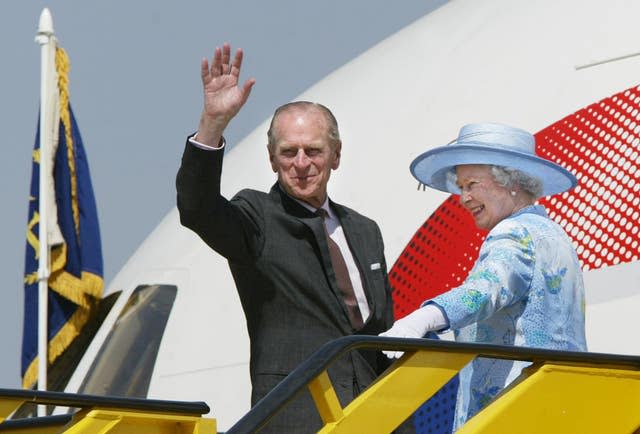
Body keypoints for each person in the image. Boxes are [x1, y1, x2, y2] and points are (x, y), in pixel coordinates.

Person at [176, 43, 397, 433]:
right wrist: (212, 125)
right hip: (295, 418)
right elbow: (198, 210)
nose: (301, 164)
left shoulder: (365, 231)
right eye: (288, 152)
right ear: (271, 159)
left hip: (374, 417)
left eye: (313, 151)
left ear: (336, 155)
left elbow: (376, 336)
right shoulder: (258, 218)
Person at [380, 122, 587, 430]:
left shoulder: (513, 232)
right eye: (461, 187)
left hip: (511, 412)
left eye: (472, 184)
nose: (463, 197)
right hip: (559, 407)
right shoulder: (553, 234)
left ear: (511, 182)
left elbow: (484, 290)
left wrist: (421, 319)